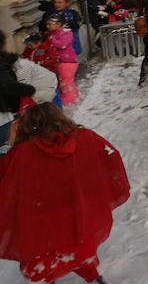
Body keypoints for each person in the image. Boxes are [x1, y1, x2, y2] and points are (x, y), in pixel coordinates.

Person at [0, 103, 129, 284]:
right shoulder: (87, 138)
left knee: (41, 275)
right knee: (81, 257)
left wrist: (8, 145)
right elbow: (110, 158)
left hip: (40, 239)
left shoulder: (20, 153)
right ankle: (94, 279)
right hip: (81, 229)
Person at [44, 13, 79, 106]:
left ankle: (68, 104)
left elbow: (62, 45)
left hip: (67, 63)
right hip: (60, 62)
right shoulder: (50, 34)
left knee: (66, 85)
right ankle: (75, 99)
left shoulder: (66, 33)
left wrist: (51, 40)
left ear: (58, 24)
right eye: (47, 24)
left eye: (50, 24)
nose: (47, 26)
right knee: (67, 83)